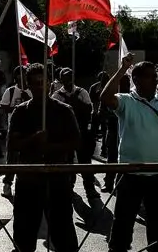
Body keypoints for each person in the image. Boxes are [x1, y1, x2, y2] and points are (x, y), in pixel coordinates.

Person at [101, 56, 158, 252]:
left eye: (156, 77)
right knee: (123, 219)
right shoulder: (126, 101)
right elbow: (105, 97)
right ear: (136, 80)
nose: (155, 81)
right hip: (130, 174)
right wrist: (122, 69)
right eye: (150, 77)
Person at [7, 63, 81, 252]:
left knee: (62, 222)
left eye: (44, 82)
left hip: (57, 176)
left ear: (50, 84)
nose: (40, 87)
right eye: (35, 83)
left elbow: (76, 141)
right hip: (29, 176)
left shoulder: (64, 110)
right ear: (29, 85)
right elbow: (12, 144)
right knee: (24, 223)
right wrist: (33, 140)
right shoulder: (21, 112)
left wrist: (51, 147)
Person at [51, 67, 98, 199]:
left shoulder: (82, 92)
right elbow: (54, 114)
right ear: (61, 79)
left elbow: (89, 109)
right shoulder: (57, 95)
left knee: (85, 161)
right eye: (65, 77)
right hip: (65, 133)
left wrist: (76, 102)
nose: (68, 80)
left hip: (82, 131)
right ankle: (69, 187)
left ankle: (89, 188)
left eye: (70, 77)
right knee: (68, 161)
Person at [0, 67, 32, 199]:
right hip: (14, 130)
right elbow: (3, 107)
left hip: (30, 130)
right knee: (11, 159)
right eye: (20, 75)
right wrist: (18, 107)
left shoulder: (32, 91)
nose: (22, 77)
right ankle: (7, 184)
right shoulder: (11, 91)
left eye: (24, 74)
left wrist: (28, 99)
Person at [101, 75, 130, 193]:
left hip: (127, 132)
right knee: (111, 158)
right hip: (113, 130)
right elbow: (102, 111)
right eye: (123, 83)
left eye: (127, 83)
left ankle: (122, 185)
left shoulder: (131, 98)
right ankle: (108, 183)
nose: (125, 86)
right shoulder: (111, 97)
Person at [88, 71, 109, 155]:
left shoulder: (108, 86)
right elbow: (91, 100)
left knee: (105, 131)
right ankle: (91, 149)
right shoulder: (94, 87)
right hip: (96, 111)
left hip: (105, 112)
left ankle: (104, 149)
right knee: (93, 132)